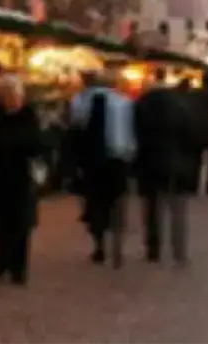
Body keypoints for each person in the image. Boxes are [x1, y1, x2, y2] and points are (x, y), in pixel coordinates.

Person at [134, 71, 201, 266]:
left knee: (152, 208)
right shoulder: (181, 105)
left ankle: (153, 250)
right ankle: (179, 252)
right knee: (178, 209)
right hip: (178, 162)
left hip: (149, 163)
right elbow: (192, 136)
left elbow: (135, 136)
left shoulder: (140, 104)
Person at [68, 69, 135, 267]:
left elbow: (75, 127)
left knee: (94, 202)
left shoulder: (79, 101)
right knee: (117, 201)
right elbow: (130, 131)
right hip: (118, 158)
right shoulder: (124, 102)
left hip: (91, 160)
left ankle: (99, 244)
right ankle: (117, 245)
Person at [0, 74, 42, 284]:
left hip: (23, 177)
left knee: (22, 225)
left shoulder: (29, 115)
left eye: (17, 95)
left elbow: (36, 143)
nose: (15, 99)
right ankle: (2, 265)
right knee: (1, 226)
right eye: (10, 95)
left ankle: (19, 269)